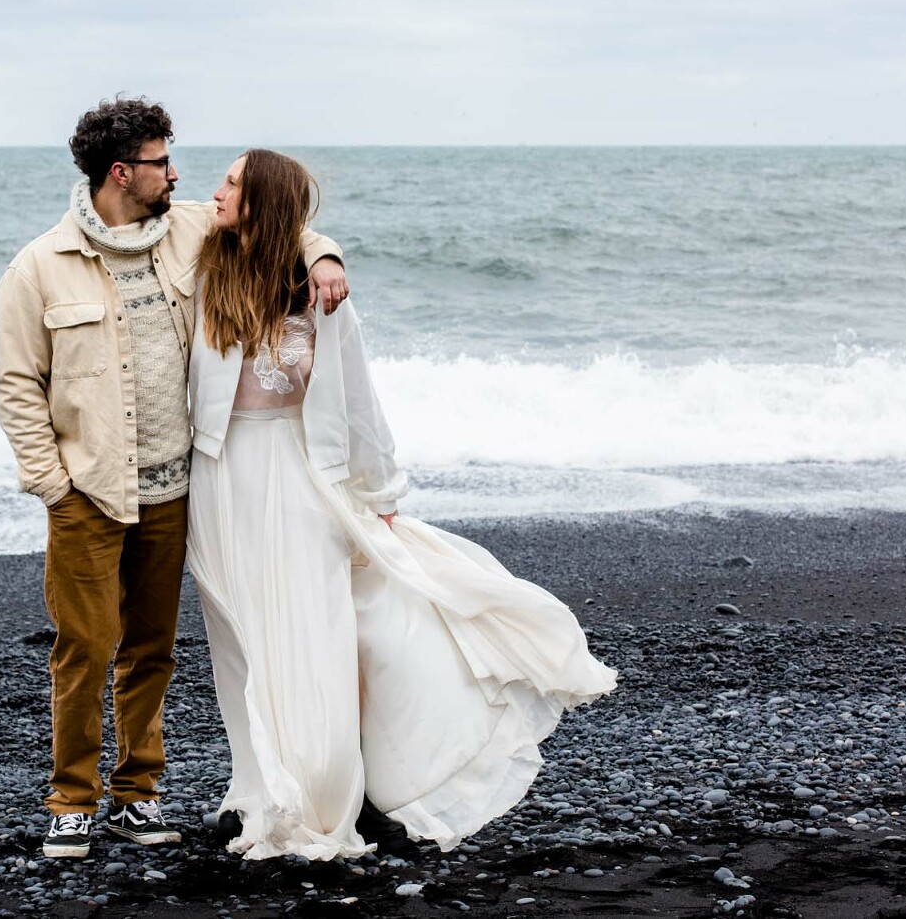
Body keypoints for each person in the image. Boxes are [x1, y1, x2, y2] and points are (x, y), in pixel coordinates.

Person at [186, 149, 618, 860]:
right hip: (220, 478)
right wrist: (324, 246)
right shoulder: (205, 264)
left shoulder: (320, 295)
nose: (216, 191)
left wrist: (381, 493)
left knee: (319, 635)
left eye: (233, 182)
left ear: (263, 201)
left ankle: (330, 794)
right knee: (242, 640)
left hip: (300, 477)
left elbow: (358, 402)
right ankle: (259, 790)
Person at [0, 99, 351, 859]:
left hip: (174, 490)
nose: (177, 174)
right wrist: (51, 483)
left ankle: (137, 796)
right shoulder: (38, 267)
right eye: (161, 162)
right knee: (85, 647)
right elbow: (17, 383)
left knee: (152, 648)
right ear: (123, 173)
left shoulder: (188, 230)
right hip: (87, 492)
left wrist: (325, 256)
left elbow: (279, 224)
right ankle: (71, 800)